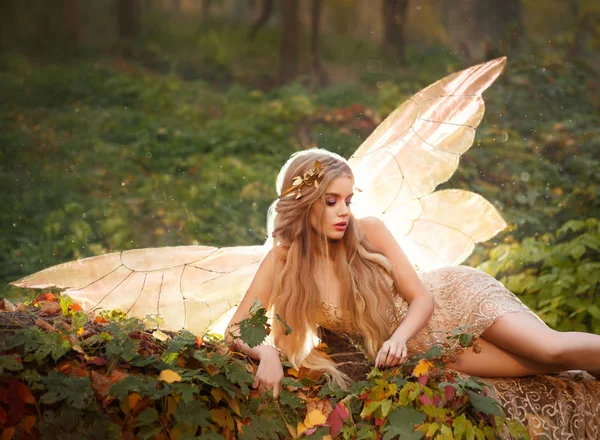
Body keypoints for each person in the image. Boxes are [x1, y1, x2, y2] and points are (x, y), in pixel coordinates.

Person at [226, 148, 600, 398]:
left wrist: (399, 338)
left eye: (348, 200)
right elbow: (238, 326)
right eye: (331, 201)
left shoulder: (368, 230)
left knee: (552, 349)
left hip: (455, 302)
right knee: (555, 371)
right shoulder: (282, 261)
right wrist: (270, 355)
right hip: (437, 353)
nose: (344, 211)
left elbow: (422, 296)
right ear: (305, 203)